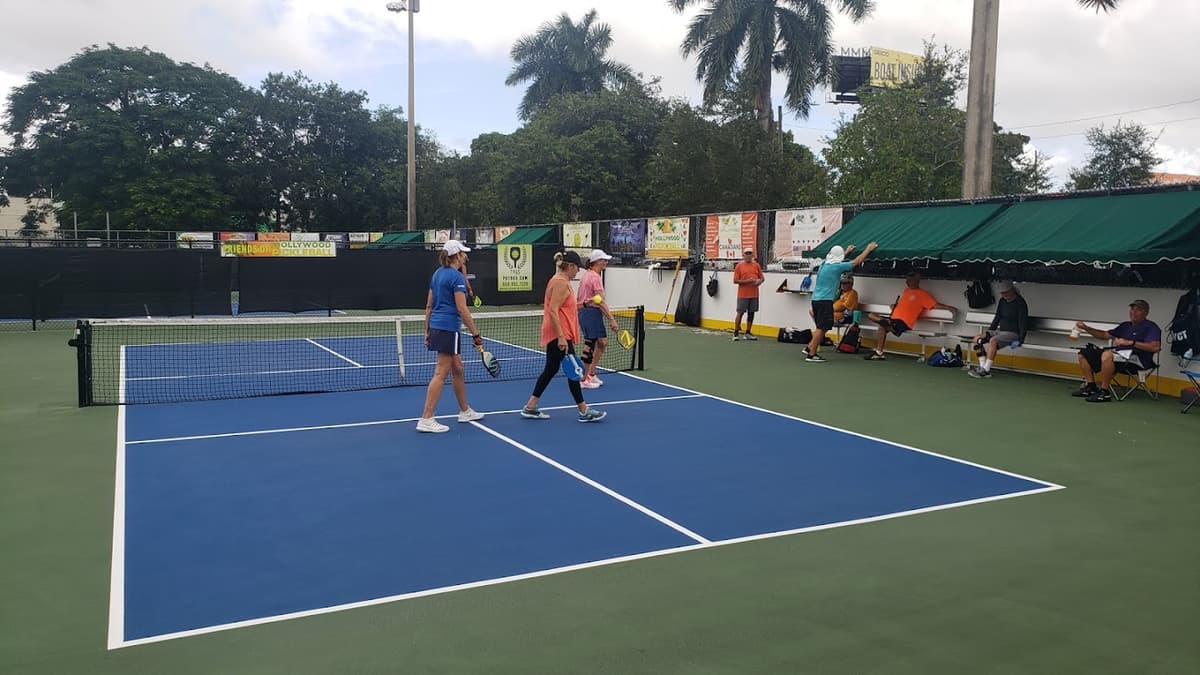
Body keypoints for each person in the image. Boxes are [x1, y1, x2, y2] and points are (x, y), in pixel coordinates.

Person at [522, 250, 607, 422]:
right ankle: (584, 410)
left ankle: (530, 406)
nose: (578, 271)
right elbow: (553, 310)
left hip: (559, 332)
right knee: (574, 371)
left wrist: (585, 304)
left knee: (551, 369)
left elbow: (566, 307)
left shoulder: (559, 280)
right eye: (577, 268)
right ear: (570, 266)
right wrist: (561, 337)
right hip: (559, 333)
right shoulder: (560, 282)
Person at [417, 240, 484, 433]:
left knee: (458, 368)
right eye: (463, 253)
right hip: (448, 328)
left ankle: (465, 411)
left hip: (437, 327)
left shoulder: (437, 274)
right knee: (440, 373)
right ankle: (426, 418)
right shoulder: (456, 277)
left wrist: (427, 330)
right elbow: (462, 308)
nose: (466, 256)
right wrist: (476, 334)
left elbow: (429, 305)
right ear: (457, 256)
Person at [1071, 299, 1161, 403]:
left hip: (1137, 360)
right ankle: (1091, 387)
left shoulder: (1151, 327)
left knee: (1107, 355)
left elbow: (1155, 347)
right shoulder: (1125, 325)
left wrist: (1130, 342)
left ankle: (1104, 392)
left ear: (1146, 313)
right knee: (1084, 353)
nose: (1134, 312)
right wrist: (1086, 328)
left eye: (1138, 309)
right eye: (1132, 309)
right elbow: (1104, 335)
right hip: (1118, 357)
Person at [804, 243, 877, 362]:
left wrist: (846, 252)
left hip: (816, 299)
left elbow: (838, 260)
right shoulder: (836, 268)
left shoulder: (824, 264)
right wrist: (868, 249)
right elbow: (856, 261)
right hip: (825, 301)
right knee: (822, 328)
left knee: (822, 327)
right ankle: (811, 354)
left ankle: (809, 347)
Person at [863, 271, 958, 361]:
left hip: (903, 322)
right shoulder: (906, 291)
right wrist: (894, 306)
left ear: (916, 280)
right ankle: (882, 340)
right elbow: (905, 305)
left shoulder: (923, 294)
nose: (907, 282)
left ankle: (879, 351)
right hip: (893, 319)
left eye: (909, 280)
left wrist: (948, 307)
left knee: (882, 327)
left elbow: (935, 305)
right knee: (872, 315)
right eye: (907, 280)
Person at [577, 249, 621, 388]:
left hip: (588, 312)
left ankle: (591, 373)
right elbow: (600, 301)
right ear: (596, 262)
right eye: (604, 260)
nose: (606, 262)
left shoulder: (587, 275)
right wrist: (611, 320)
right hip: (590, 312)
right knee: (590, 343)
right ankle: (583, 379)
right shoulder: (594, 277)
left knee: (602, 342)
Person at [968, 280, 1029, 379]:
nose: (1004, 295)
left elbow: (1023, 322)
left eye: (1006, 293)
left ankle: (986, 370)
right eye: (1002, 293)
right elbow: (997, 317)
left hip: (1013, 333)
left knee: (993, 340)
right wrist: (989, 332)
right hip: (1000, 332)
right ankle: (982, 366)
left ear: (1012, 290)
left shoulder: (1020, 303)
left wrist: (1020, 340)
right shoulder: (1002, 301)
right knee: (977, 338)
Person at [732, 248, 765, 341]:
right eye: (747, 253)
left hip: (754, 294)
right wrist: (748, 281)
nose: (748, 255)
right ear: (743, 255)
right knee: (740, 312)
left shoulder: (756, 265)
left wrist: (759, 282)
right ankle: (736, 333)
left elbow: (762, 278)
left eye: (750, 253)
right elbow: (735, 280)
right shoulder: (739, 266)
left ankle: (748, 332)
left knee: (751, 313)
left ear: (752, 255)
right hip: (743, 294)